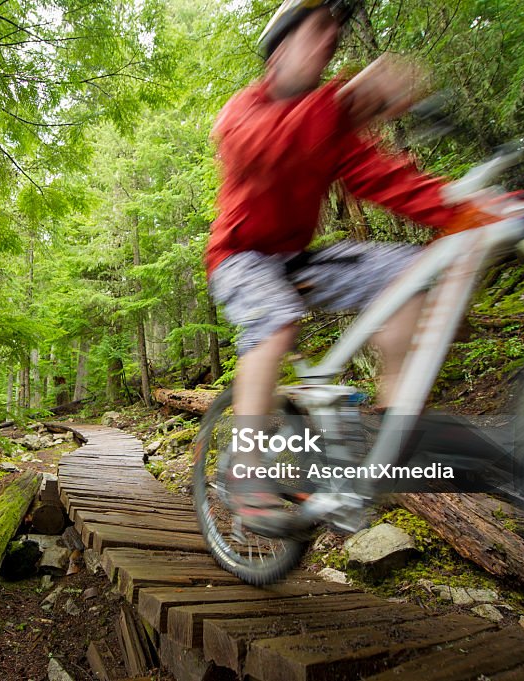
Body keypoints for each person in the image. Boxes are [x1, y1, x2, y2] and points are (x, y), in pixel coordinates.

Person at [206, 0, 490, 536]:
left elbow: (385, 180)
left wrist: (467, 211)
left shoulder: (329, 120)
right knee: (275, 320)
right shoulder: (242, 110)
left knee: (413, 268)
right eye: (317, 33)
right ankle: (246, 468)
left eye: (333, 39)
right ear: (280, 46)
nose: (327, 44)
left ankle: (390, 424)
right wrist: (346, 102)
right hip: (239, 257)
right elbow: (265, 149)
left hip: (296, 258)